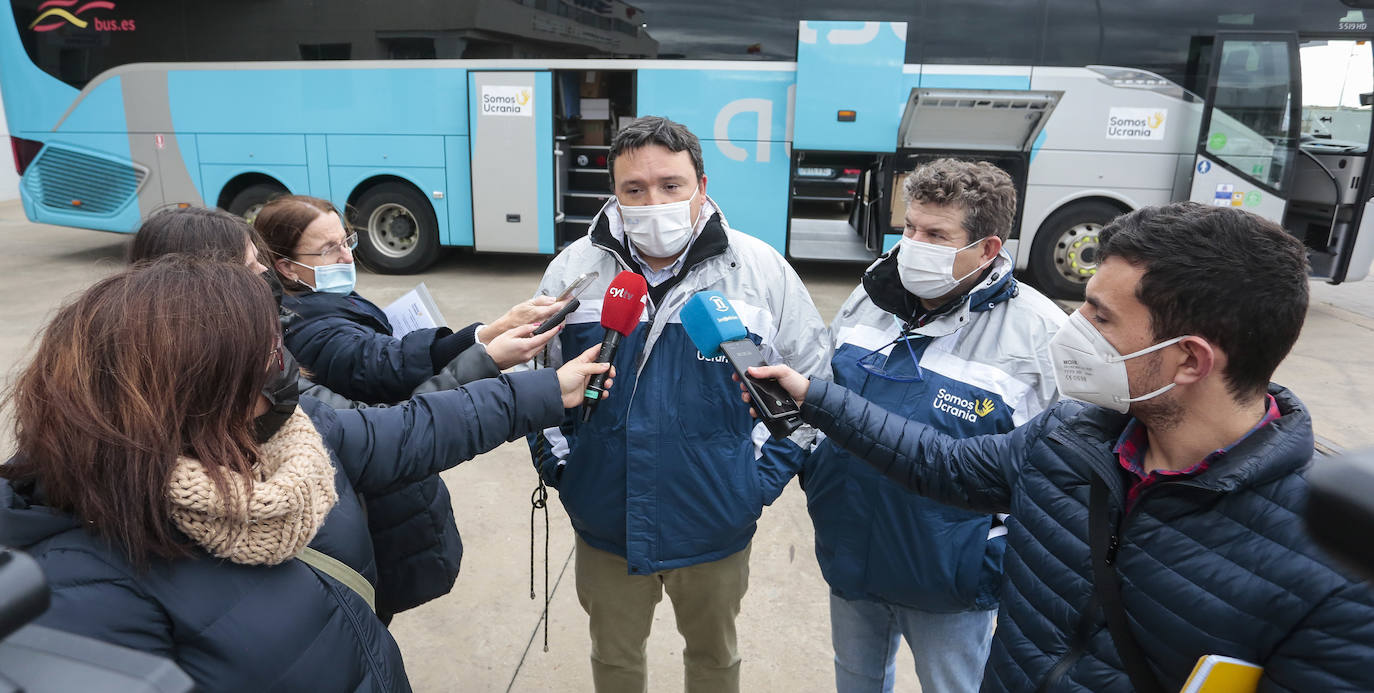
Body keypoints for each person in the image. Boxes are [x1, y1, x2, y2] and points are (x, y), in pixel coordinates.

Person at [743, 202, 1374, 692]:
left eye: (1100, 318)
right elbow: (940, 463)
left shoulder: (1332, 575)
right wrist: (812, 395)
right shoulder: (1074, 436)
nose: (1072, 330)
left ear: (1188, 360)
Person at [0, 255, 611, 692]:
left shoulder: (284, 439)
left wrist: (541, 392)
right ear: (200, 389)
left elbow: (416, 428)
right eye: (268, 355)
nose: (288, 369)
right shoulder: (78, 593)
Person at [527, 116, 829, 693]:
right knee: (614, 660)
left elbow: (813, 385)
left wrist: (752, 480)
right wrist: (569, 470)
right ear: (613, 192)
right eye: (633, 189)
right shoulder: (574, 273)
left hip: (713, 522)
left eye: (671, 185)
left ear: (702, 186)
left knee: (715, 660)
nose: (652, 201)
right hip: (605, 519)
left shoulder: (760, 272)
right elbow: (535, 383)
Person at [126, 205, 466, 620]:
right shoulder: (253, 371)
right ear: (201, 287)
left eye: (347, 241)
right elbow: (383, 421)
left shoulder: (269, 340)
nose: (266, 280)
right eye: (253, 269)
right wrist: (482, 356)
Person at [806, 159, 1065, 693]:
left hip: (950, 578)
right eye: (910, 227)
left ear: (988, 249)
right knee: (855, 681)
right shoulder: (868, 300)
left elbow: (1056, 475)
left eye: (935, 234)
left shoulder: (1043, 338)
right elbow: (825, 402)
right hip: (851, 551)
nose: (911, 245)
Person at [253, 194, 561, 405]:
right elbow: (388, 364)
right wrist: (488, 338)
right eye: (329, 249)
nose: (347, 256)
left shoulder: (312, 298)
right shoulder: (309, 330)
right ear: (287, 267)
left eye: (347, 240)